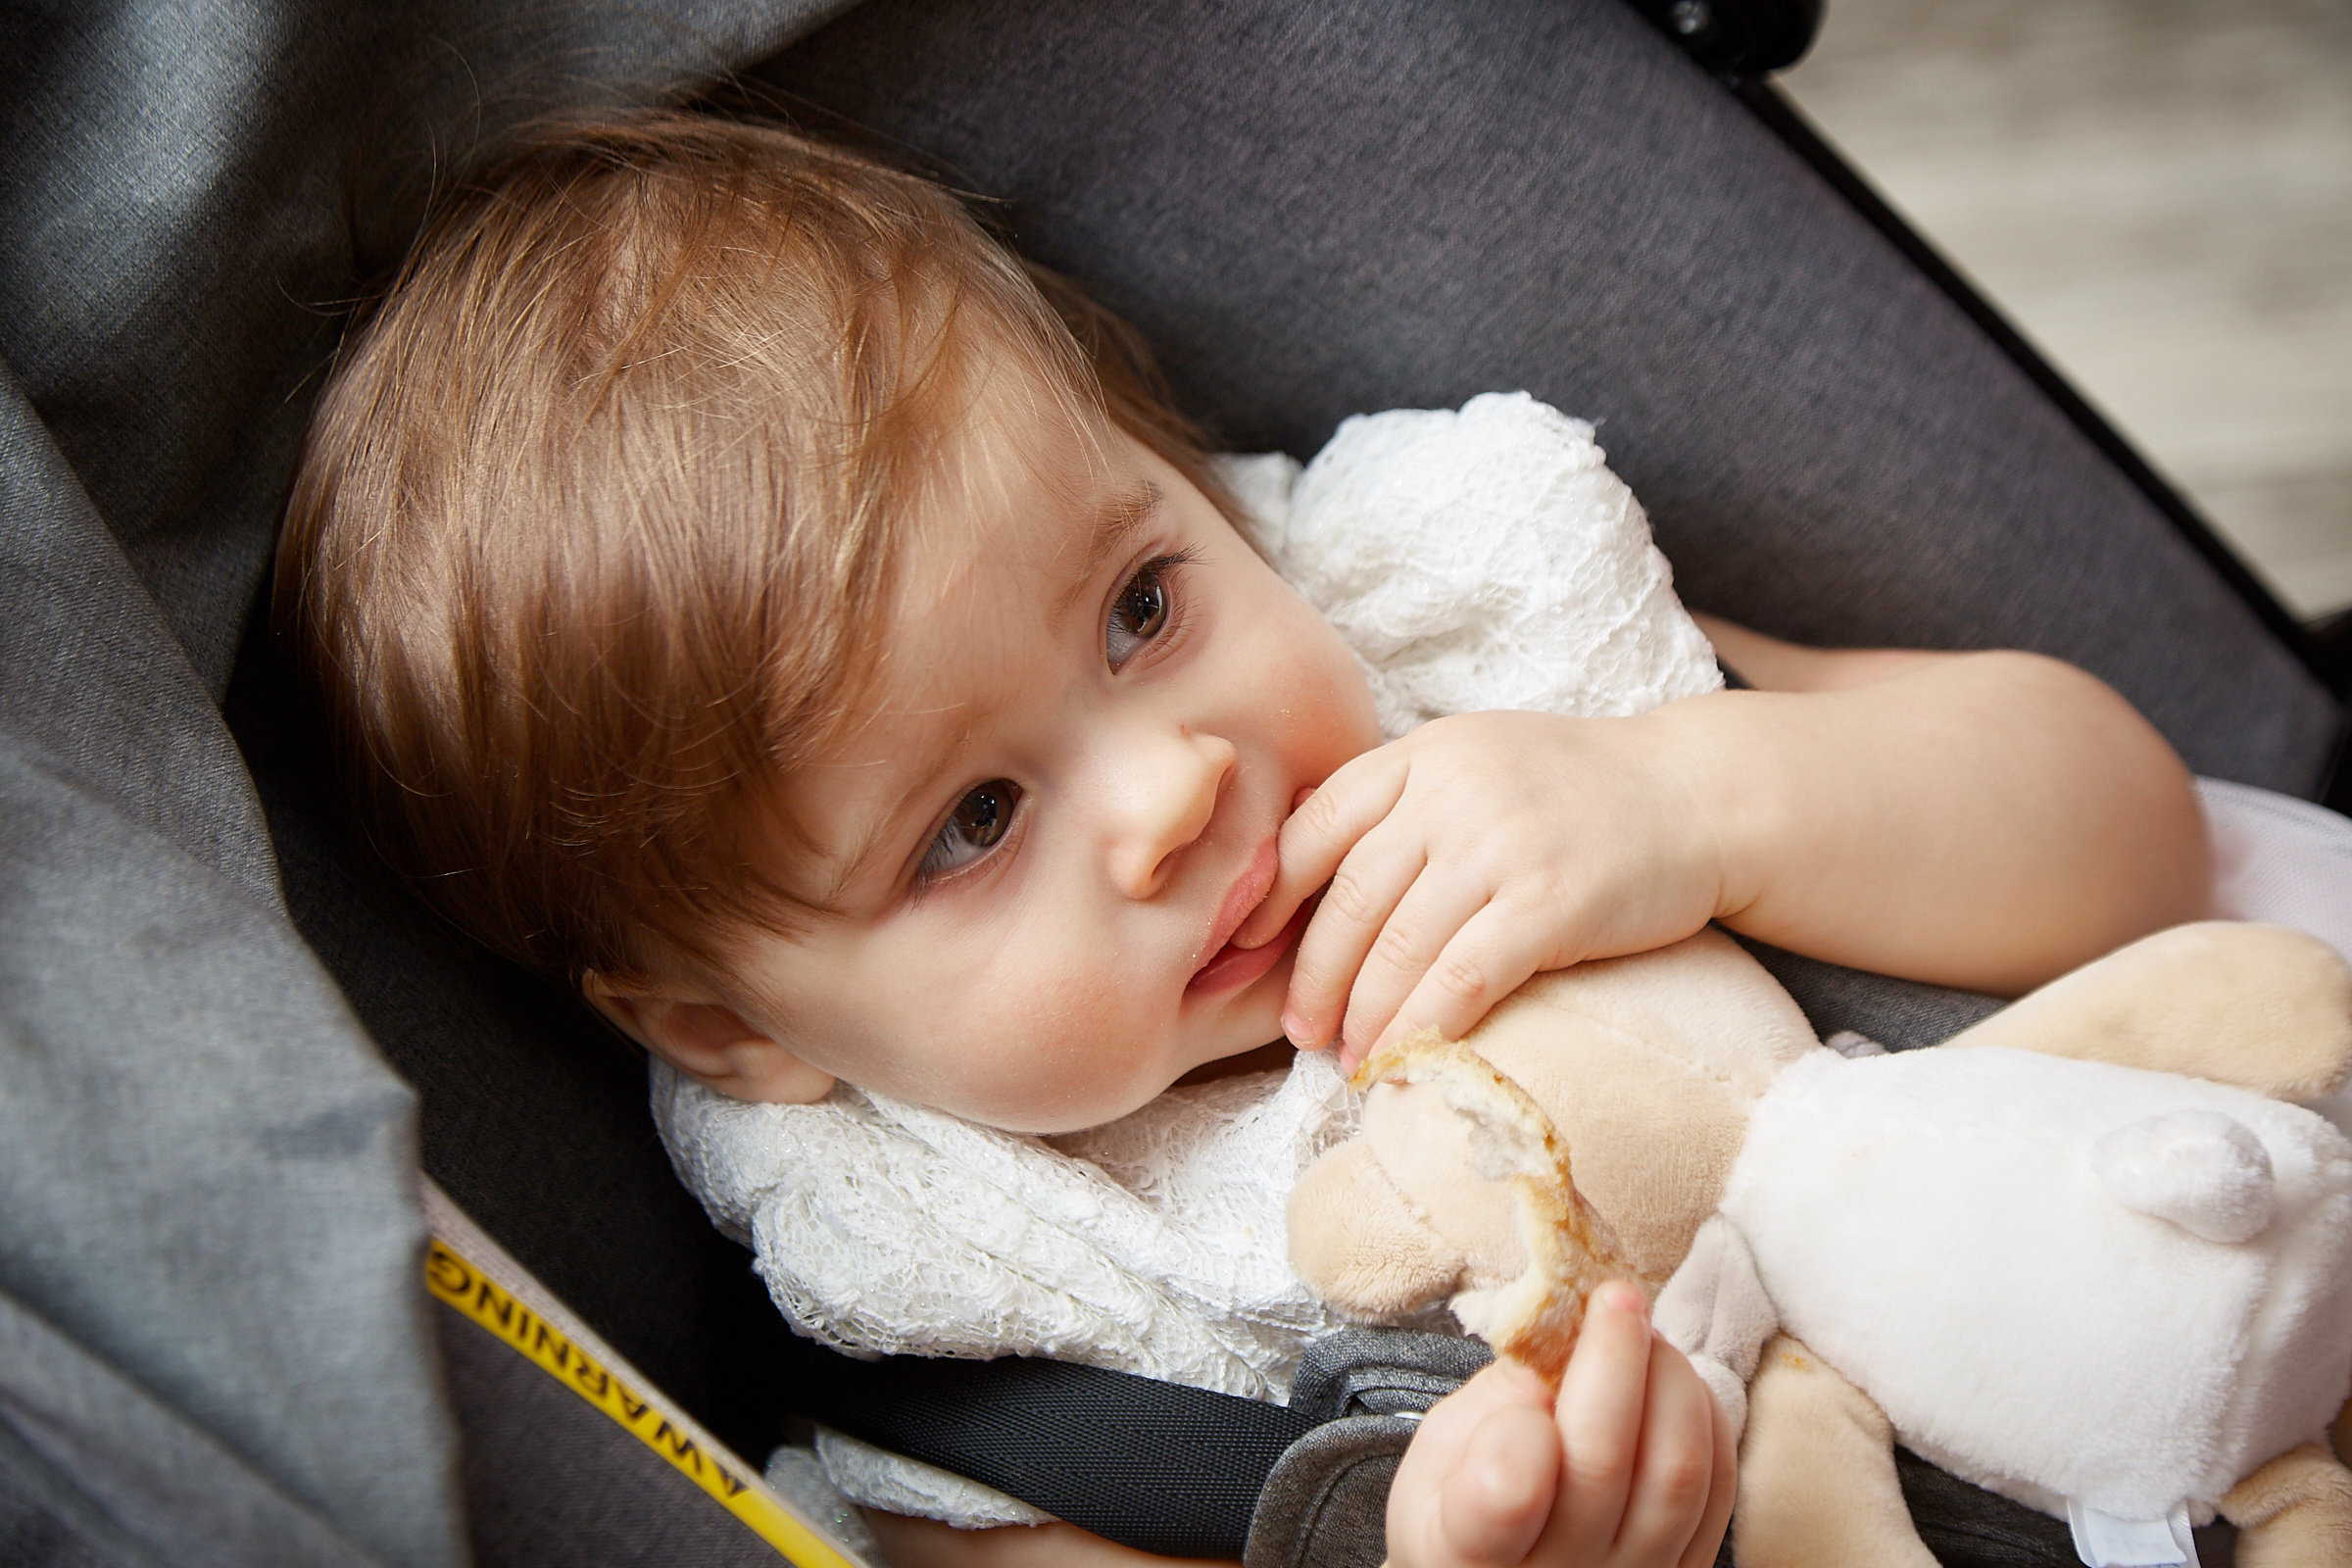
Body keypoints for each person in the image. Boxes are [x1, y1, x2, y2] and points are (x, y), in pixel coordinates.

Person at [277, 110, 2211, 1568]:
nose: (1174, 785)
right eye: (971, 820)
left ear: (1190, 478)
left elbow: (2137, 830)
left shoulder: (1464, 652)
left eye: (1139, 604)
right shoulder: (985, 1384)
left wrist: (1689, 797)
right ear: (736, 1028)